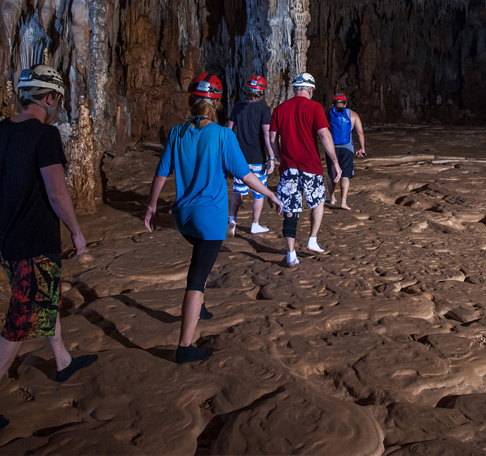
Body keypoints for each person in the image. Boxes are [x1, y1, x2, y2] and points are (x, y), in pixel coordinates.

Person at [0, 64, 97, 432]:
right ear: (49, 97)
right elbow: (56, 192)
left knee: (40, 299)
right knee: (19, 323)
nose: (56, 107)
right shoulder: (45, 135)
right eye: (57, 100)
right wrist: (77, 232)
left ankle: (63, 360)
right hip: (36, 243)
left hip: (9, 241)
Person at [144, 72, 283, 364]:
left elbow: (160, 173)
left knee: (201, 260)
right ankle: (184, 346)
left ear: (192, 101)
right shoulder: (222, 135)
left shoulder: (177, 132)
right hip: (211, 220)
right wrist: (270, 194)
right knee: (196, 279)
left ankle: (202, 307)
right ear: (217, 104)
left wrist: (151, 207)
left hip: (183, 217)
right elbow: (245, 174)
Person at [269, 72, 341, 268]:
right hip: (311, 166)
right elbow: (324, 135)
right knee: (317, 202)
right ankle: (312, 239)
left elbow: (272, 139)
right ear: (310, 90)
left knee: (290, 209)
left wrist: (279, 158)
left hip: (288, 167)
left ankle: (291, 253)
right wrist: (334, 161)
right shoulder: (315, 107)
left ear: (294, 89)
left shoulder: (279, 109)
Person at [226, 75, 275, 235]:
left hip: (240, 156)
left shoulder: (238, 106)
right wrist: (272, 157)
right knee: (259, 191)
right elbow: (266, 135)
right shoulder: (264, 109)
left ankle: (232, 219)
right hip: (257, 157)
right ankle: (255, 224)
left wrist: (228, 153)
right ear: (262, 92)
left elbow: (229, 130)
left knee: (238, 190)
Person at [326, 92, 366, 210]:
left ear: (334, 103)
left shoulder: (328, 114)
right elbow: (360, 132)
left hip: (332, 147)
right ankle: (343, 201)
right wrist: (362, 148)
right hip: (347, 148)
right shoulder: (353, 115)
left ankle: (332, 197)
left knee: (332, 174)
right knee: (345, 175)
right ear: (345, 103)